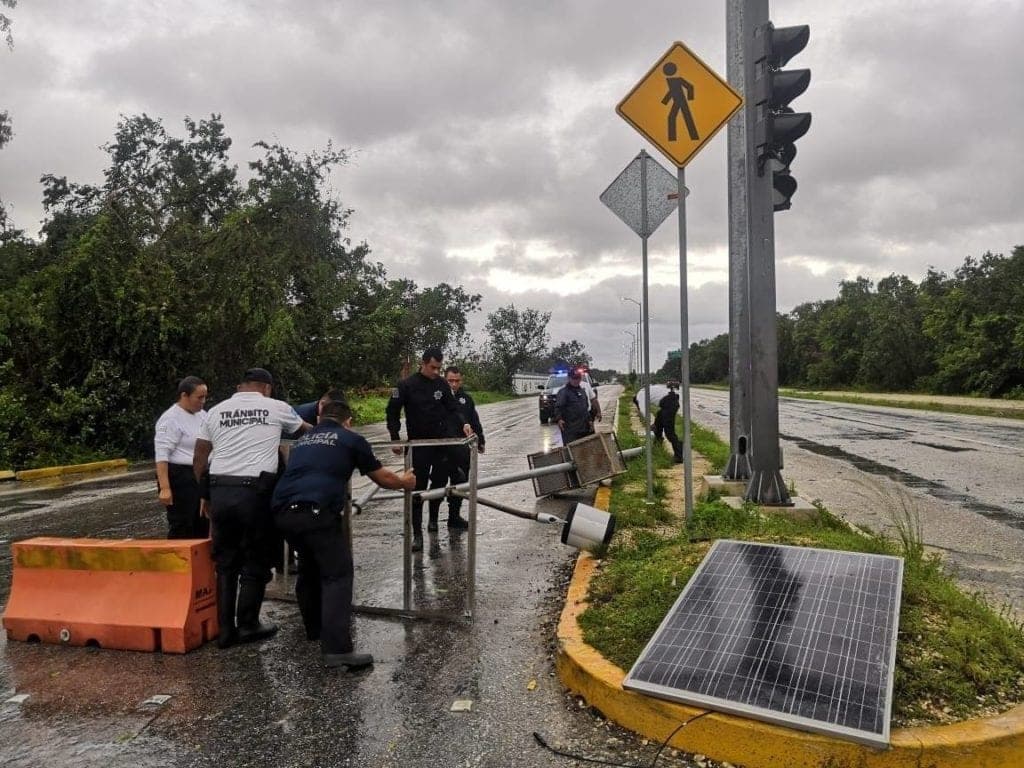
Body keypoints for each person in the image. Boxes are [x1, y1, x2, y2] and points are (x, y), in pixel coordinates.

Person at [272, 398, 416, 669]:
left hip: (282, 511)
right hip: (315, 511)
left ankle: (314, 631)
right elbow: (382, 477)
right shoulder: (350, 439)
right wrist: (405, 482)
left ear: (320, 418)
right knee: (337, 575)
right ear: (347, 421)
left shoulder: (304, 439)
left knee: (309, 569)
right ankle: (337, 649)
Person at [192, 368, 311, 649]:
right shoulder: (277, 407)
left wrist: (205, 494)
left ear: (240, 386)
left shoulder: (216, 411)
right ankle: (247, 624)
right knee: (256, 559)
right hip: (255, 492)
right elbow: (308, 431)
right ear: (267, 388)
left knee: (225, 563)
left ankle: (224, 631)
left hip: (220, 489)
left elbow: (199, 455)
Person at [386, 348, 475, 553]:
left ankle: (433, 521)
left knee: (440, 483)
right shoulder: (406, 385)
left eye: (439, 368)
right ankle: (417, 534)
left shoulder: (441, 385)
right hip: (419, 445)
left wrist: (464, 424)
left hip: (440, 442)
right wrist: (394, 438)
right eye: (433, 367)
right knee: (418, 487)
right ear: (423, 363)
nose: (436, 371)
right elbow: (392, 412)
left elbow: (453, 408)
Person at [154, 376, 210, 539]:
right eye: (199, 397)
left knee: (203, 522)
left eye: (205, 397)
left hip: (199, 473)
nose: (203, 401)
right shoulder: (170, 419)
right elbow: (162, 455)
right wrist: (165, 488)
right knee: (182, 524)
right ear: (184, 395)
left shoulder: (203, 416)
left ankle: (201, 564)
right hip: (179, 476)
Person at [444, 365, 484, 527]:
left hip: (463, 448)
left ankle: (454, 516)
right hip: (444, 447)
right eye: (450, 381)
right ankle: (432, 520)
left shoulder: (466, 399)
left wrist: (481, 440)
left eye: (456, 381)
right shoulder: (439, 398)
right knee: (438, 483)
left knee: (461, 482)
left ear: (461, 381)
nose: (453, 384)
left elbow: (474, 420)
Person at [554, 367, 601, 445]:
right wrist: (559, 419)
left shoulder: (582, 391)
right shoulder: (563, 392)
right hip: (571, 430)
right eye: (574, 378)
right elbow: (558, 407)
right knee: (573, 452)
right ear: (569, 378)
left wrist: (590, 421)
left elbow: (585, 408)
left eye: (578, 378)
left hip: (584, 428)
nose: (576, 380)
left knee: (588, 450)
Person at [653, 381, 684, 463]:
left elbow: (662, 403)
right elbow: (661, 405)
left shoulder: (671, 399)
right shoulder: (671, 399)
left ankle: (679, 455)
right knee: (658, 430)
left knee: (670, 435)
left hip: (668, 417)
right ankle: (657, 448)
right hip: (664, 415)